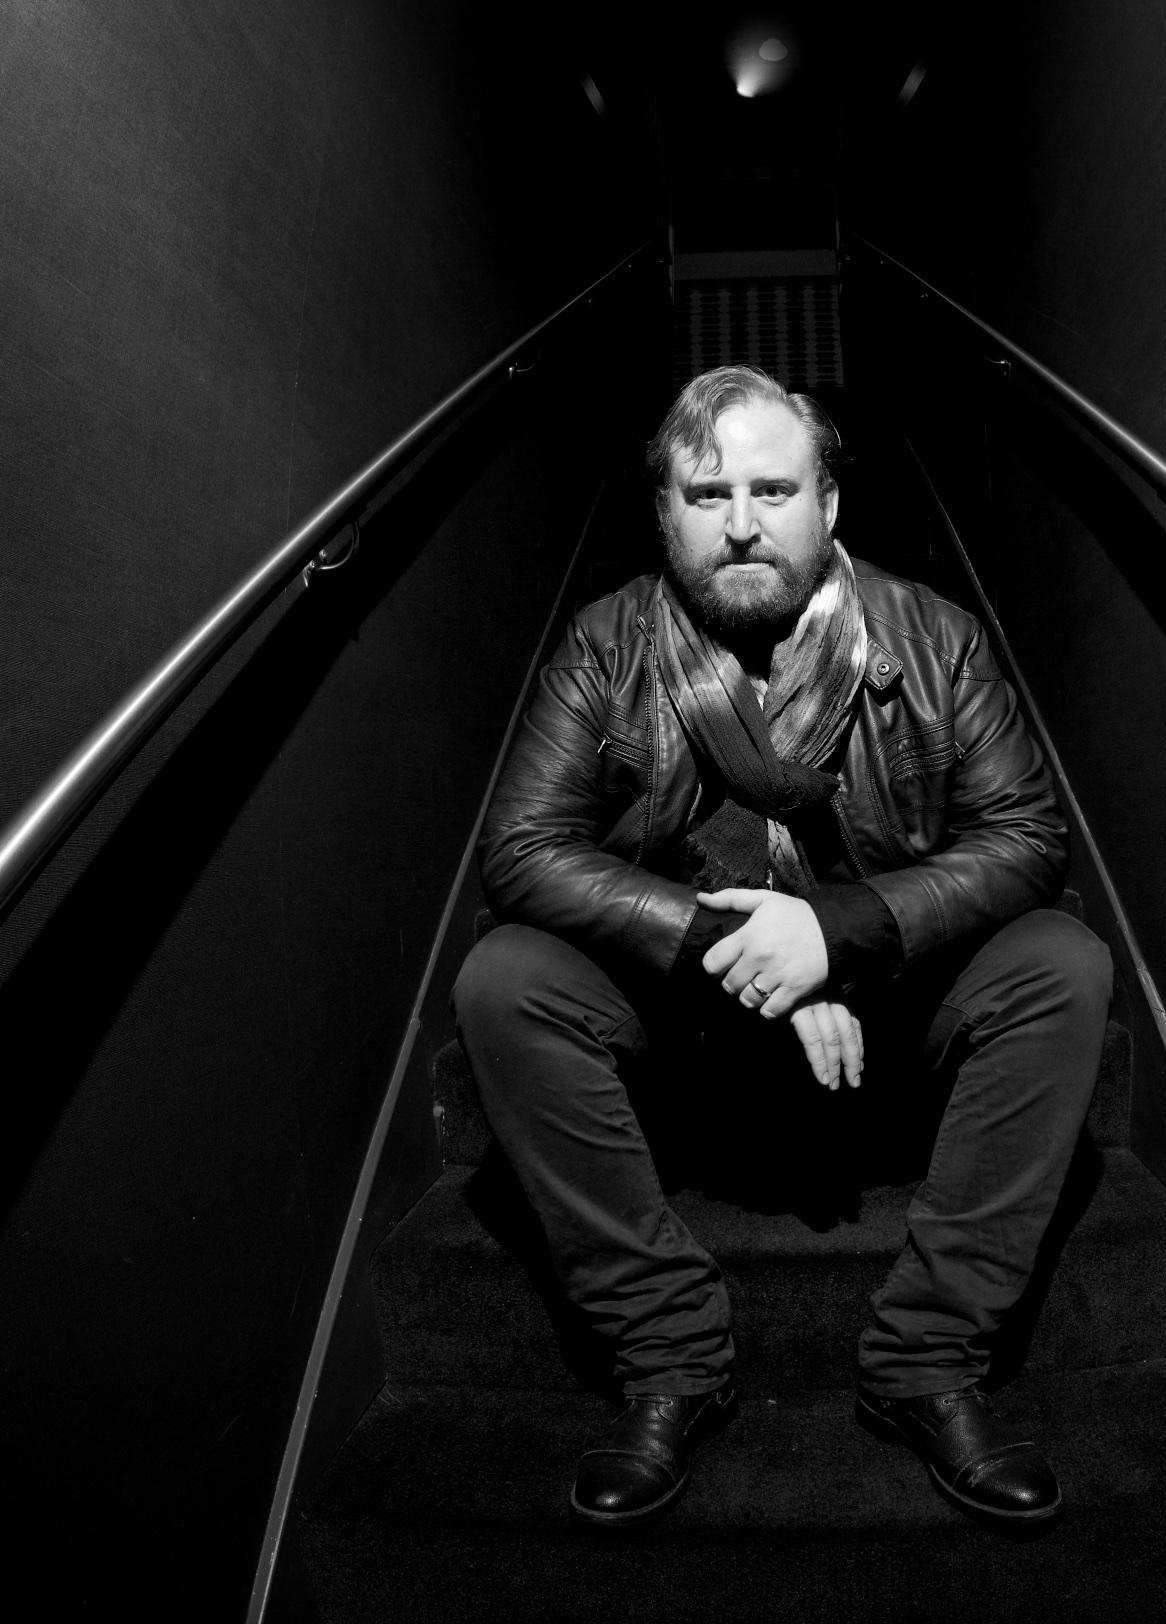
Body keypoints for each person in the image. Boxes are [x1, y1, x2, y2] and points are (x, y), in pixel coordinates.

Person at [454, 364, 1111, 1528]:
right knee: (504, 978)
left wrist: (839, 933)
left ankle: (926, 1359)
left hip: (890, 1021)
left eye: (773, 488)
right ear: (666, 514)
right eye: (707, 495)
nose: (743, 524)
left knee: (1061, 961)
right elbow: (521, 851)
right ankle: (669, 1356)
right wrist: (747, 945)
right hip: (689, 1030)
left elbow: (1026, 839)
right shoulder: (606, 644)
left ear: (828, 503)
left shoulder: (936, 639)